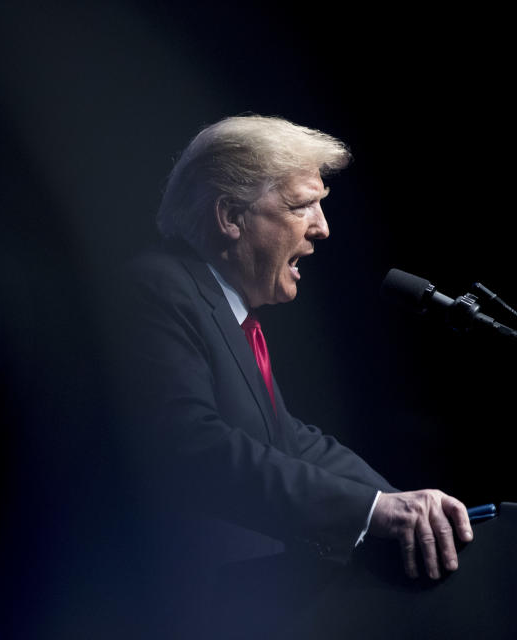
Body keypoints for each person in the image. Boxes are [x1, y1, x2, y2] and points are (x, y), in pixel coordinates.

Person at [117, 115, 474, 625]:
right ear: (230, 217)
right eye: (301, 205)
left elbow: (288, 441)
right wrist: (373, 512)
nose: (323, 227)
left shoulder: (228, 313)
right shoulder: (158, 289)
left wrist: (401, 507)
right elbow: (192, 445)